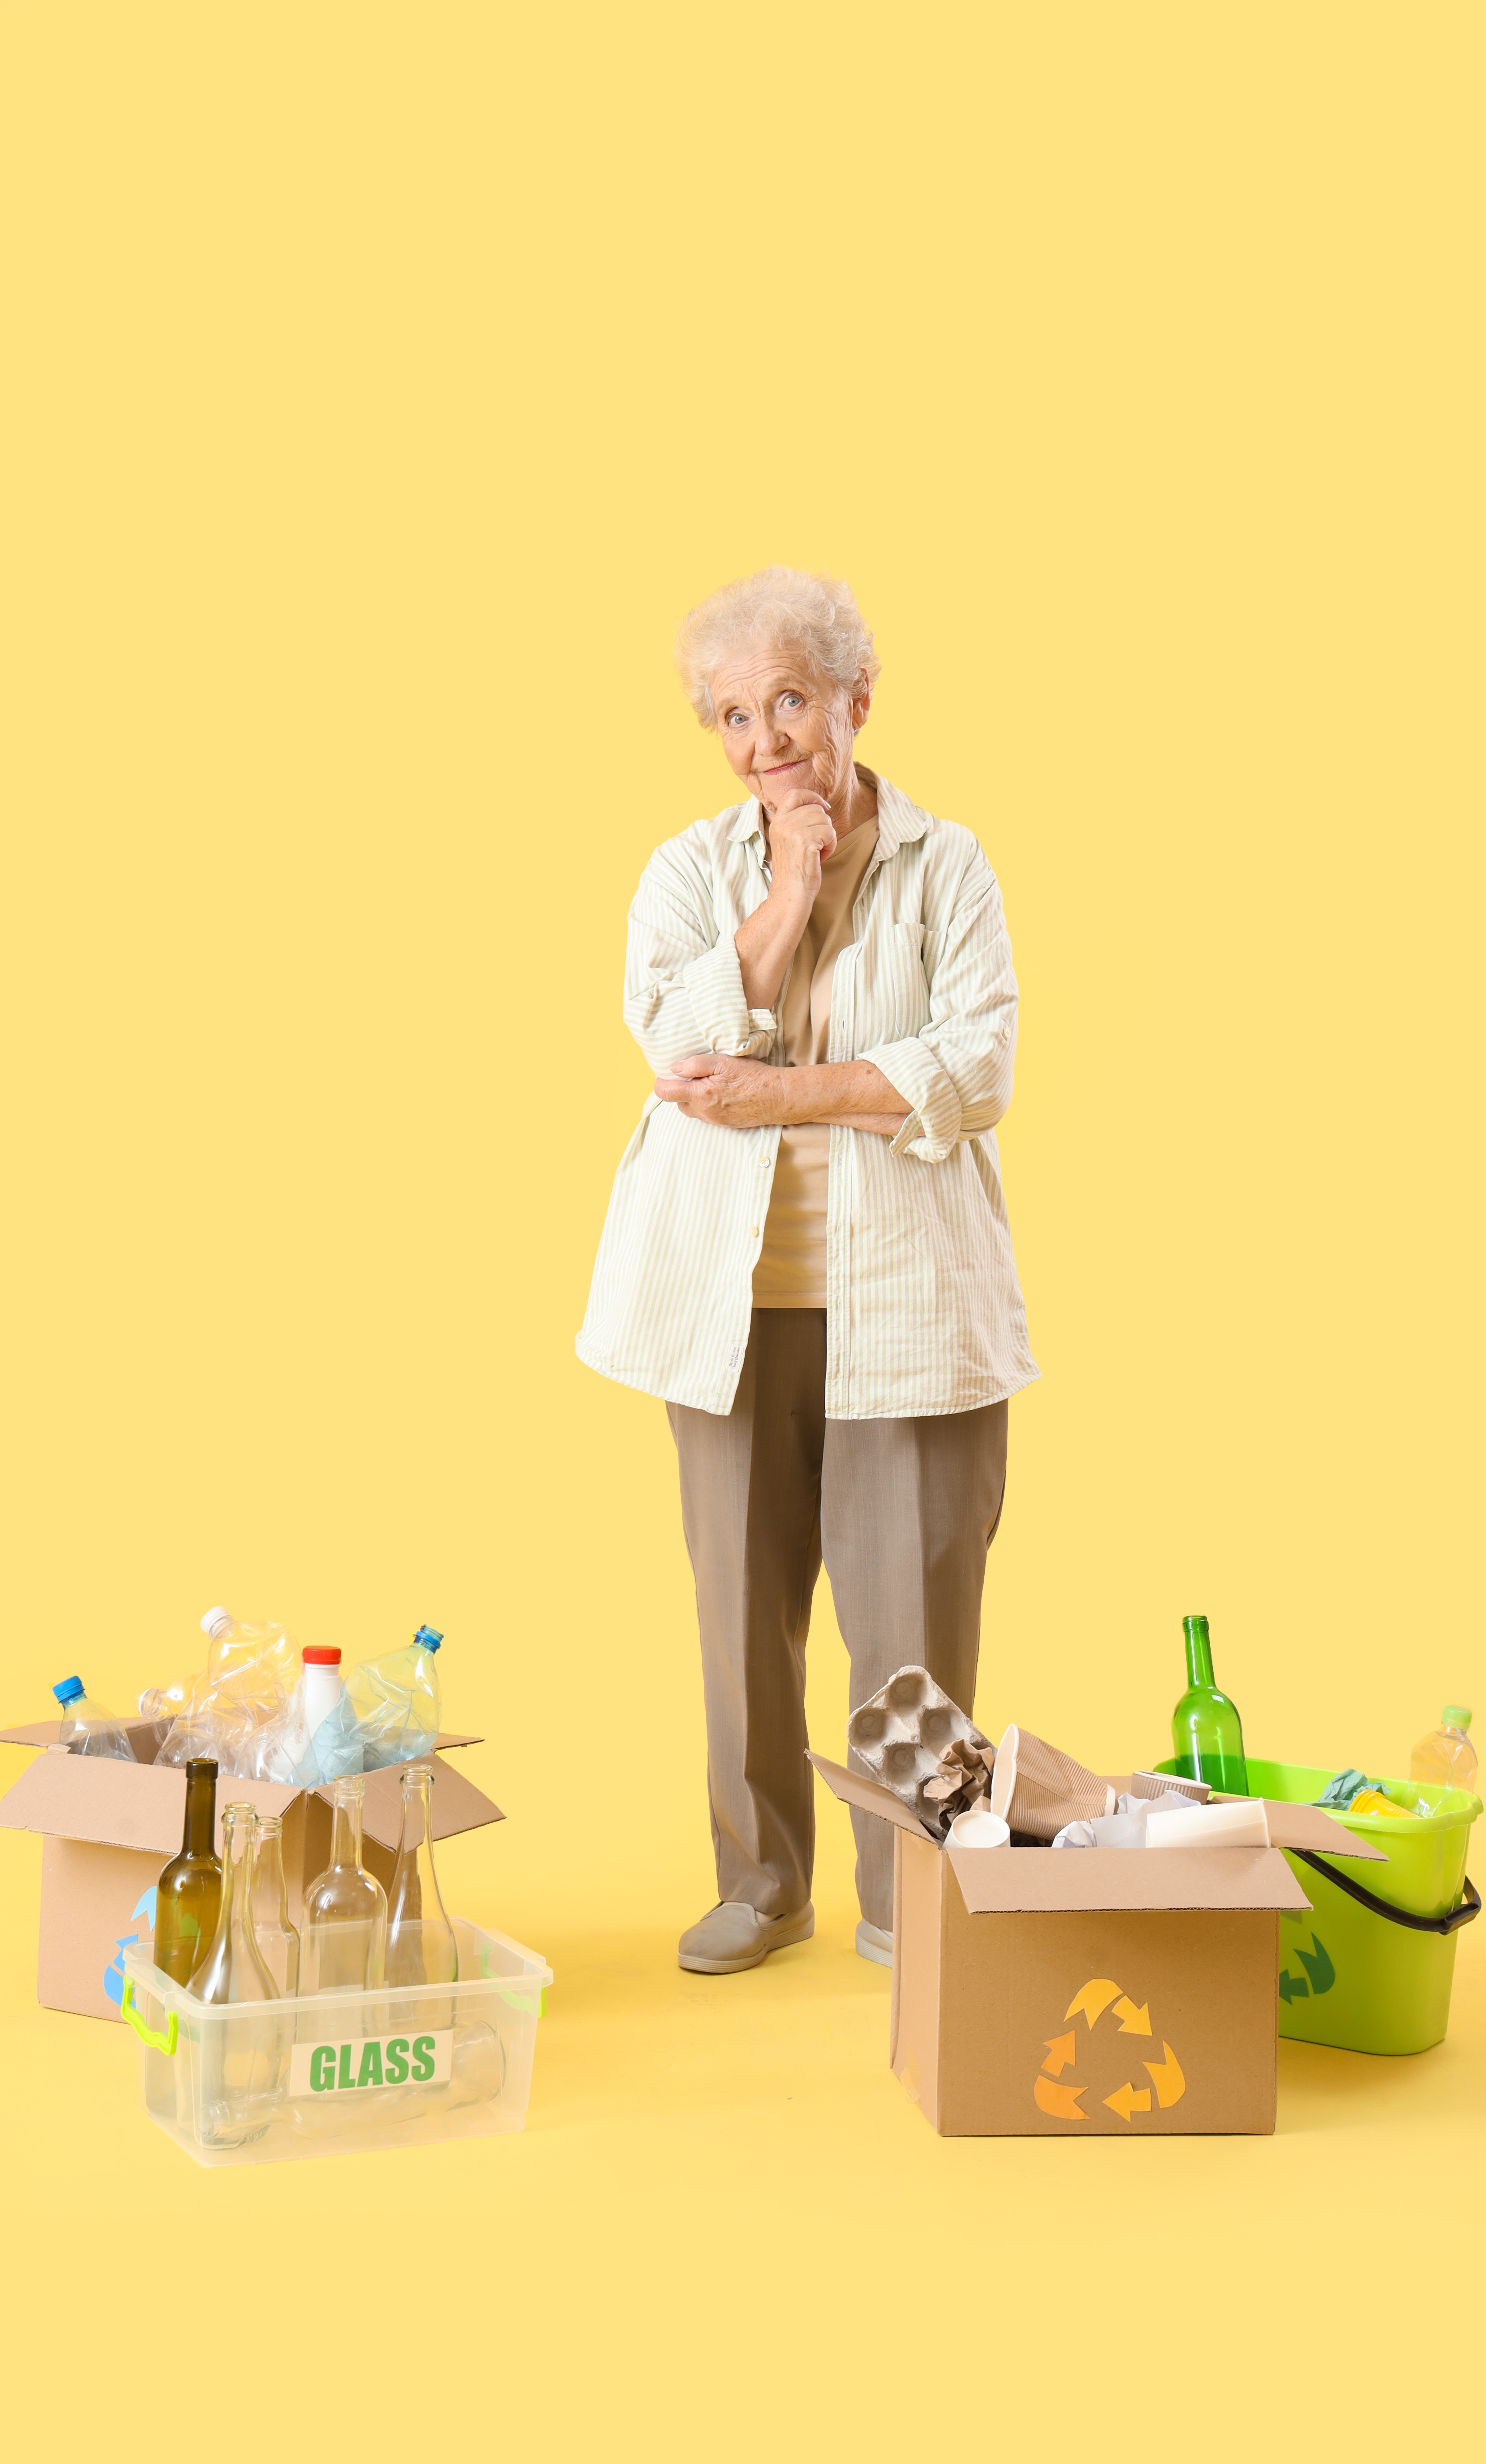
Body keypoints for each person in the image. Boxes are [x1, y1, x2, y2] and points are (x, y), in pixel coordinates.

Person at [578, 566, 1036, 1973]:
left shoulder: (946, 865)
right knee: (742, 1622)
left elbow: (974, 1068)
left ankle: (912, 1899)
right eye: (732, 713)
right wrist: (787, 887)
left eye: (788, 699)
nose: (765, 738)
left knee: (912, 1629)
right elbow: (679, 1048)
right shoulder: (689, 873)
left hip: (909, 1305)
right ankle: (763, 1880)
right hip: (729, 1307)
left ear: (855, 698)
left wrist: (793, 1091)